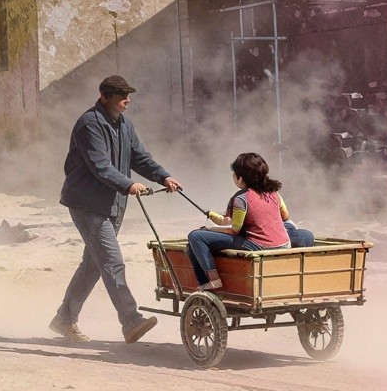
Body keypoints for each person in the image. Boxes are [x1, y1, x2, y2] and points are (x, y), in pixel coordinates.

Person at [53, 74, 181, 343]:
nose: (128, 100)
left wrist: (163, 176)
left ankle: (64, 318)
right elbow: (100, 166)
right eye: (122, 96)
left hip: (112, 204)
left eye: (128, 95)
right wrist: (128, 184)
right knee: (111, 261)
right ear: (104, 97)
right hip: (87, 204)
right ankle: (131, 320)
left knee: (93, 265)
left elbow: (139, 157)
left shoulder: (124, 124)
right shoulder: (89, 125)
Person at [186, 151, 313, 291]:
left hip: (259, 247)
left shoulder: (241, 199)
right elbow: (285, 217)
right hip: (284, 244)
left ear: (240, 178)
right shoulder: (274, 193)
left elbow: (234, 230)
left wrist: (208, 230)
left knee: (196, 236)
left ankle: (212, 281)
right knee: (304, 233)